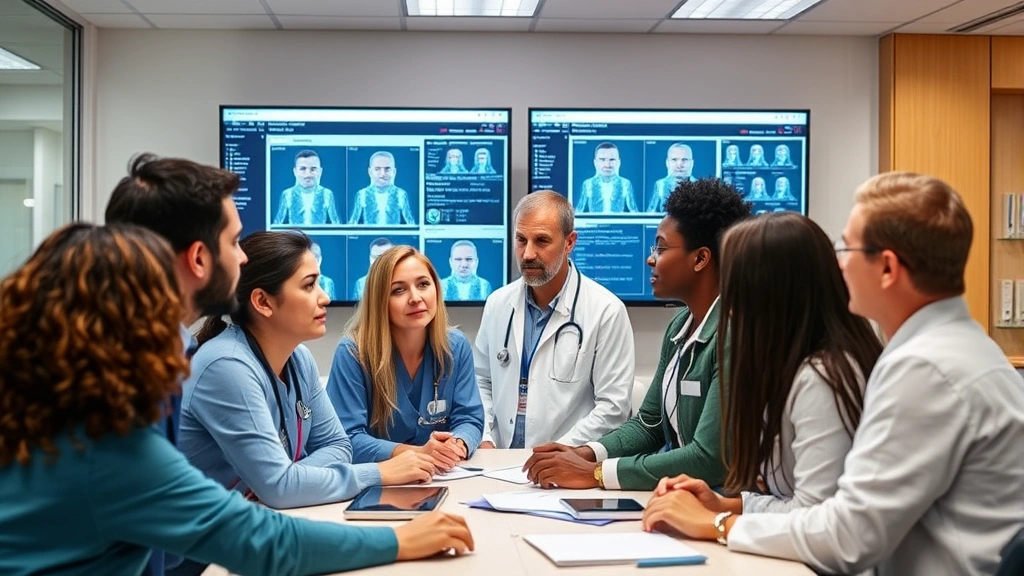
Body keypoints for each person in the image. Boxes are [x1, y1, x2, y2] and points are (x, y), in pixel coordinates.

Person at [0, 223, 475, 576]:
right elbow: (264, 539)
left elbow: (324, 455)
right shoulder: (113, 454)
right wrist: (400, 541)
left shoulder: (50, 431)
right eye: (168, 315)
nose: (182, 342)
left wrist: (297, 476)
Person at [641, 172, 1024, 576]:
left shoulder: (924, 370)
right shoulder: (955, 349)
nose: (836, 264)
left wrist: (719, 524)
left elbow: (848, 537)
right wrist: (735, 505)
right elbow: (836, 513)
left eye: (846, 248)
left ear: (888, 268)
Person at [645, 212, 881, 527]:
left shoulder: (823, 377)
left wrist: (716, 524)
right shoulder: (789, 364)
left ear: (768, 294)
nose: (726, 304)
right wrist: (726, 503)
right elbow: (789, 499)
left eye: (733, 287)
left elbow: (816, 518)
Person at [181, 231, 436, 510]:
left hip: (256, 521)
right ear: (263, 302)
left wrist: (291, 477)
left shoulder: (298, 358)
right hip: (198, 547)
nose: (324, 297)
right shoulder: (226, 365)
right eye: (309, 286)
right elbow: (280, 489)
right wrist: (380, 472)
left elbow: (339, 446)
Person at [523, 179, 749, 490]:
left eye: (661, 247)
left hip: (720, 504)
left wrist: (597, 473)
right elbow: (649, 424)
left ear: (700, 259)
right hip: (680, 497)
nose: (651, 258)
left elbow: (707, 458)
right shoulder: (681, 325)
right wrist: (584, 453)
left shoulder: (733, 334)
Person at [104, 153, 248, 576]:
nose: (243, 259)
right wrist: (397, 541)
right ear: (199, 259)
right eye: (235, 241)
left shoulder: (158, 354)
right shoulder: (119, 377)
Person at [475, 191, 634, 449]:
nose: (527, 254)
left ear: (569, 242)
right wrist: (484, 438)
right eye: (520, 239)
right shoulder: (498, 303)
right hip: (497, 460)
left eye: (541, 241)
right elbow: (480, 381)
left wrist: (559, 452)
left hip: (566, 462)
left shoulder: (606, 310)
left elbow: (614, 407)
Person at [327, 246, 485, 468]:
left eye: (423, 284)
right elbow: (346, 439)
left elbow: (469, 418)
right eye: (398, 290)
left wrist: (456, 445)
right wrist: (418, 453)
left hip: (444, 475)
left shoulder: (455, 347)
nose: (415, 298)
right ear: (379, 300)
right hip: (378, 482)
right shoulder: (353, 353)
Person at [272, 150, 341, 225]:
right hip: (296, 236)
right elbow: (276, 225)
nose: (308, 174)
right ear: (295, 171)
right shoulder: (287, 194)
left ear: (320, 171)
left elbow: (337, 225)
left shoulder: (327, 194)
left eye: (313, 169)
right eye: (303, 169)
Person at [348, 151, 416, 225]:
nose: (382, 174)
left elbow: (411, 224)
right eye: (377, 169)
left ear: (394, 171)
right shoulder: (362, 194)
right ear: (370, 172)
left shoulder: (401, 194)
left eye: (387, 169)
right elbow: (352, 224)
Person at [576, 142, 638, 213]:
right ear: (595, 163)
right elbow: (578, 212)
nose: (607, 165)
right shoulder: (587, 184)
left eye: (612, 160)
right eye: (602, 160)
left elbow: (634, 212)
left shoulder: (625, 184)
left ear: (618, 162)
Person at [647, 143, 697, 213]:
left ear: (692, 163)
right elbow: (650, 215)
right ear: (667, 163)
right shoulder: (660, 185)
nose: (679, 165)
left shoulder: (699, 186)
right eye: (674, 160)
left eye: (684, 160)